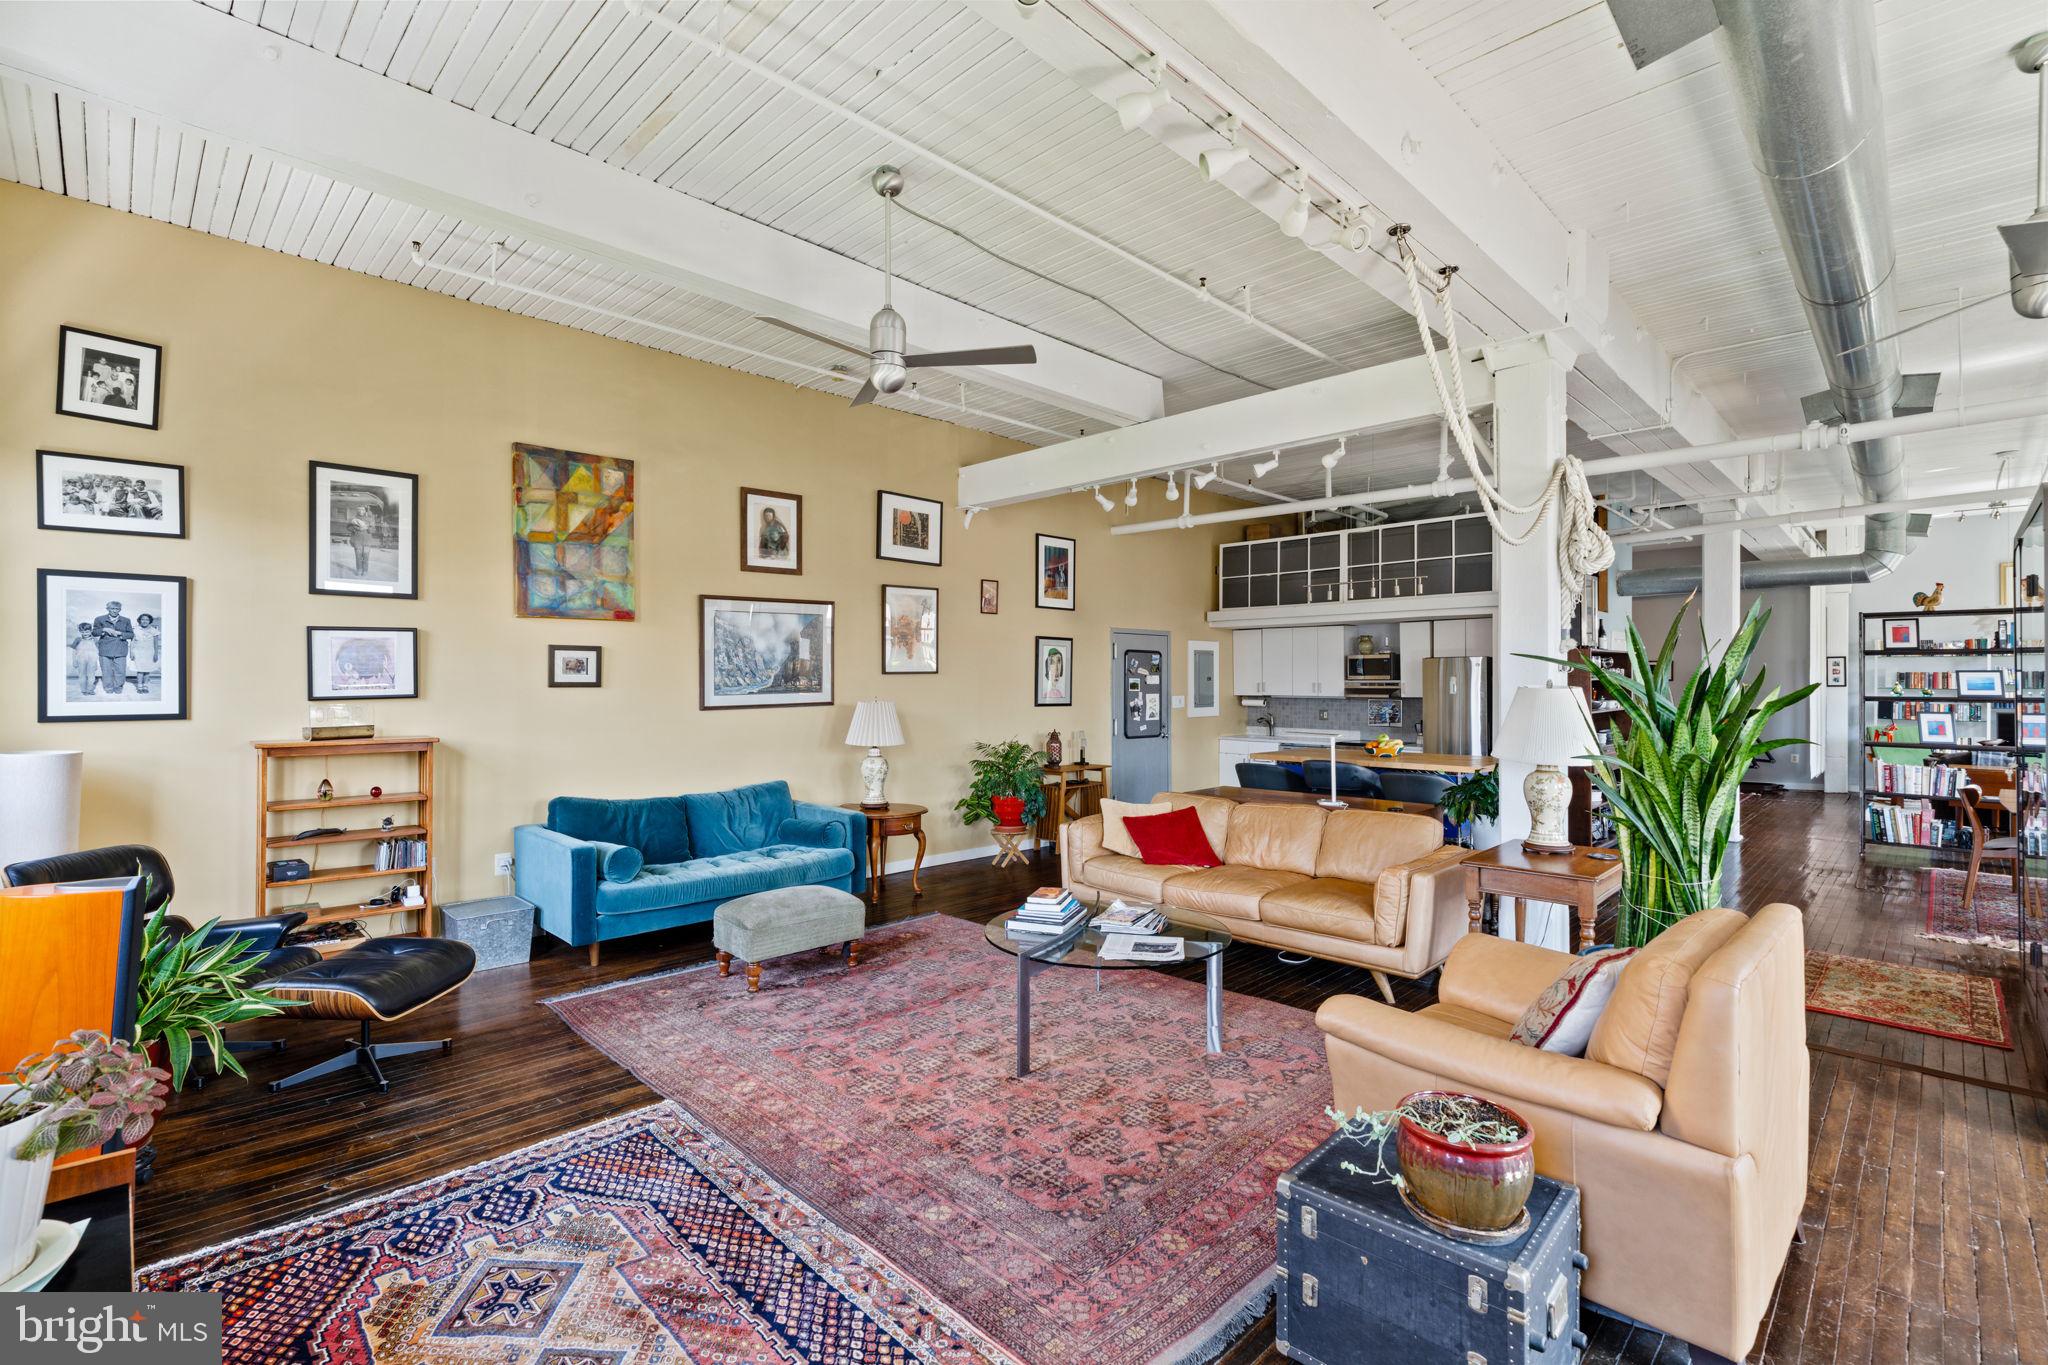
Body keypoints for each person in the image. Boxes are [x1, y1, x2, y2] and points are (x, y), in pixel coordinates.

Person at [92, 600, 134, 696]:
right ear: (108, 609)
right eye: (112, 608)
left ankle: (118, 687)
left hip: (120, 649)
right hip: (105, 648)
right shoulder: (99, 619)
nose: (114, 611)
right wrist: (104, 629)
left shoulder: (126, 620)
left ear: (120, 609)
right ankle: (108, 688)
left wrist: (120, 633)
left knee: (120, 670)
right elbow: (94, 632)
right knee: (106, 670)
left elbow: (131, 635)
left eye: (117, 609)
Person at [131, 613, 160, 696]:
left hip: (149, 653)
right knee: (140, 670)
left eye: (147, 620)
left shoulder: (154, 631)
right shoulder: (135, 630)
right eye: (143, 619)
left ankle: (145, 686)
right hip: (138, 652)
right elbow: (132, 642)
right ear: (140, 620)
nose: (144, 621)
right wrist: (131, 652)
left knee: (147, 670)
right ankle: (139, 686)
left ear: (150, 621)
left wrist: (156, 654)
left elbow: (156, 644)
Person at [71, 622, 101, 697]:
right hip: (81, 660)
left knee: (91, 675)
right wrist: (74, 661)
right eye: (82, 632)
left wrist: (97, 662)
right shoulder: (78, 639)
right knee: (82, 675)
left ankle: (90, 689)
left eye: (87, 631)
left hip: (92, 660)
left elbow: (98, 651)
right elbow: (74, 651)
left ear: (91, 631)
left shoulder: (95, 640)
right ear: (80, 631)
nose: (85, 633)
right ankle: (83, 690)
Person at [347, 509, 372, 576]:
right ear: (357, 511)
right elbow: (348, 527)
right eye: (359, 510)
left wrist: (368, 528)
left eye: (362, 510)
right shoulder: (353, 519)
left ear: (365, 511)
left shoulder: (369, 519)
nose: (361, 511)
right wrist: (355, 529)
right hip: (357, 541)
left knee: (366, 557)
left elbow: (374, 529)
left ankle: (365, 571)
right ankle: (359, 570)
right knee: (358, 557)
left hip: (367, 541)